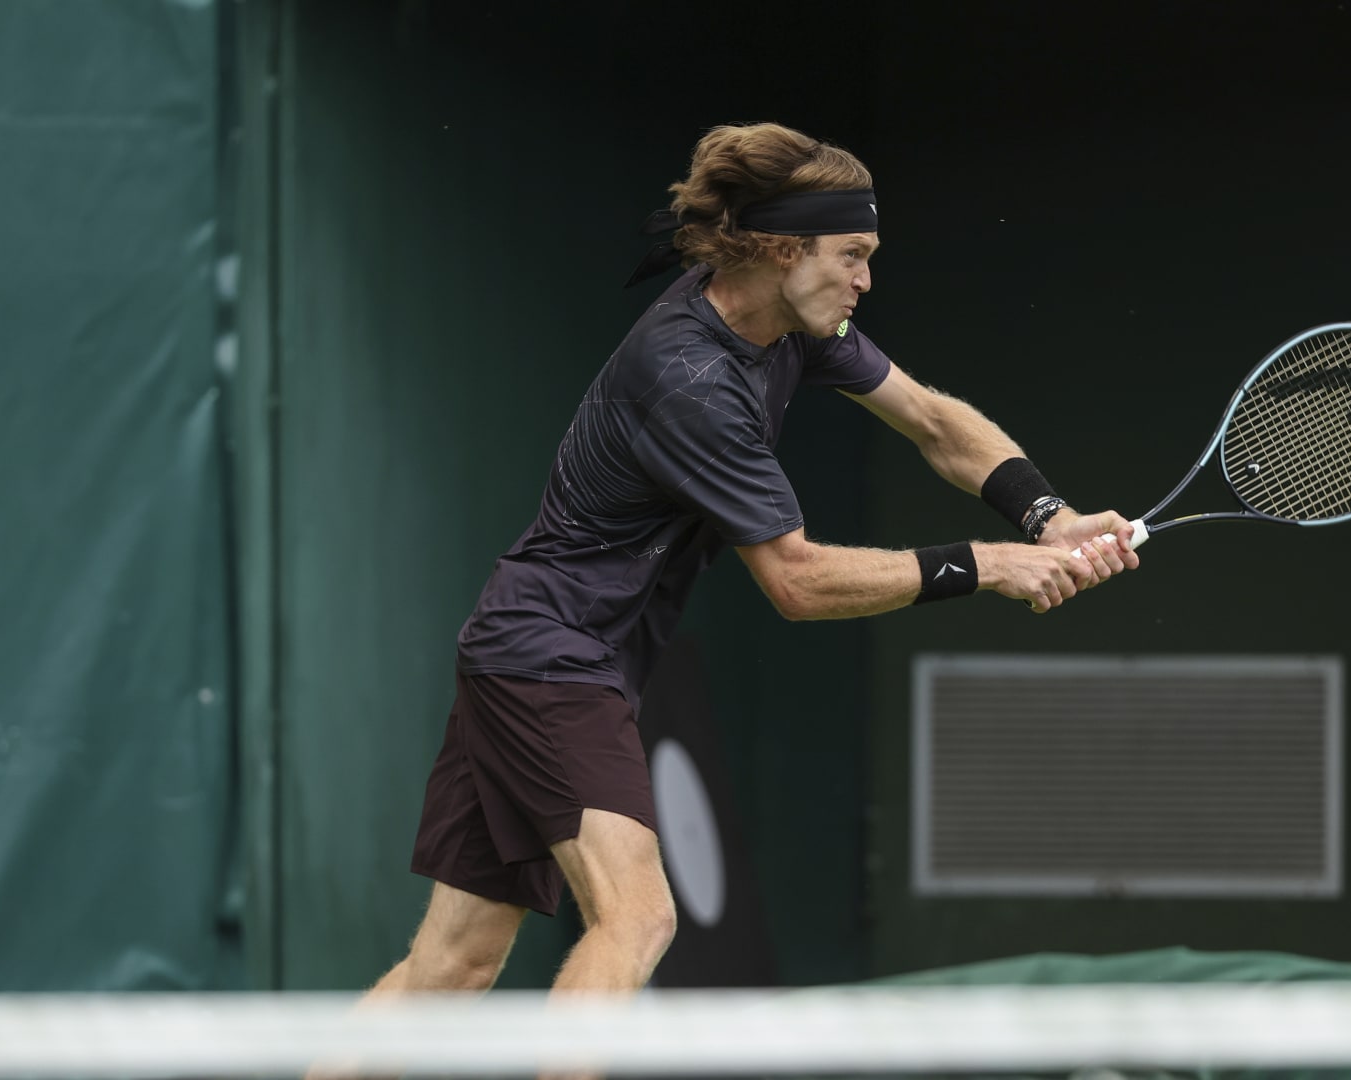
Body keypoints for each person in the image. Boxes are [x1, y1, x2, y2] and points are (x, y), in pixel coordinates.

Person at [382, 122, 1140, 999]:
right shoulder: (691, 382)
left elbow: (932, 421)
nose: (865, 278)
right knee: (639, 917)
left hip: (533, 650)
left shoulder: (792, 323)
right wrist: (989, 564)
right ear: (784, 250)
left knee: (451, 966)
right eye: (852, 254)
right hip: (552, 659)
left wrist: (1047, 515)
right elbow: (797, 581)